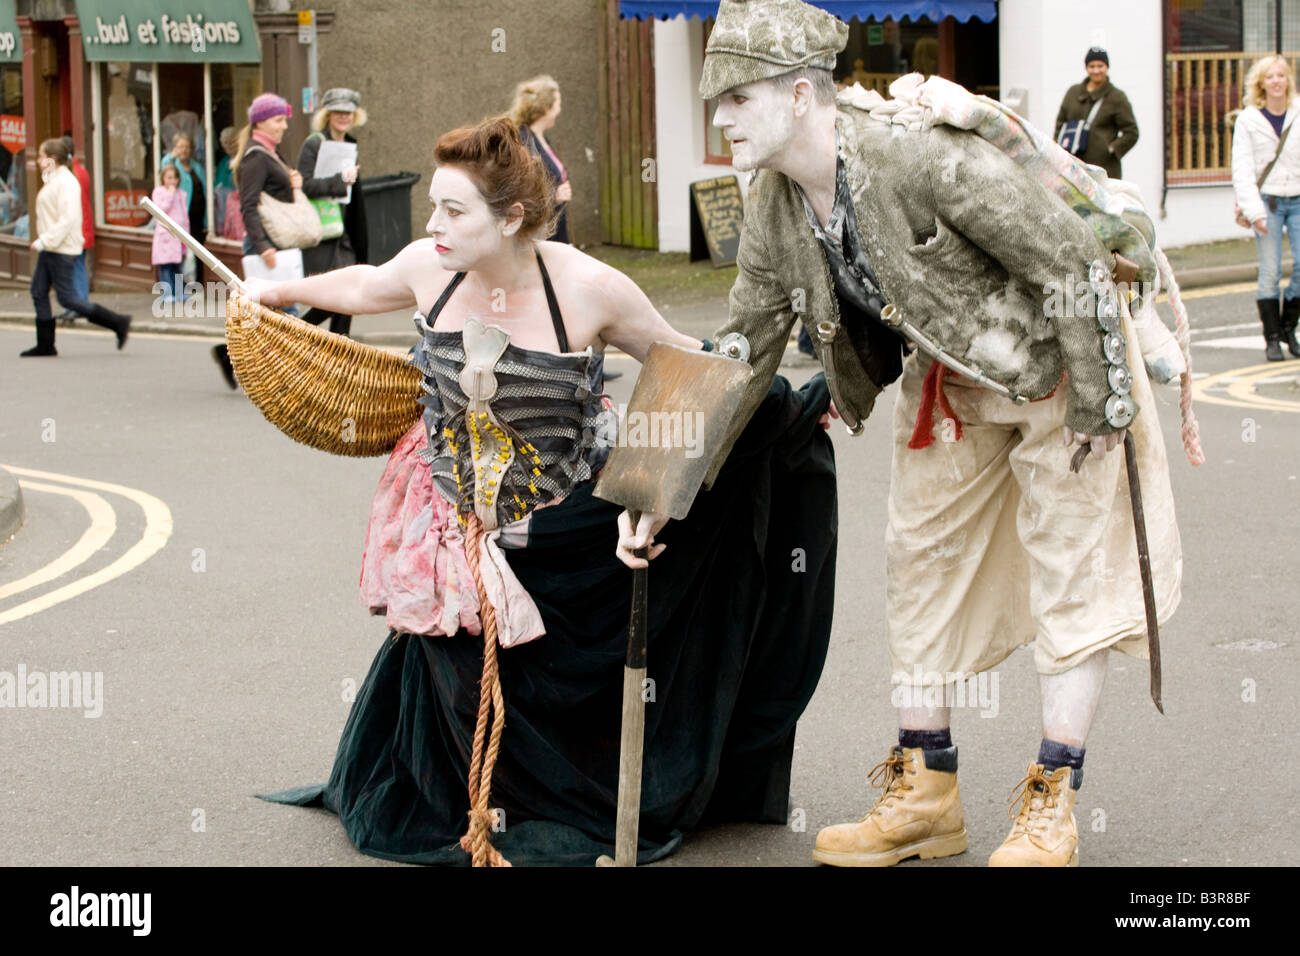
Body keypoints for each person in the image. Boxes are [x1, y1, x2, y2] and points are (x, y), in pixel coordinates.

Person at [620, 0, 1183, 868]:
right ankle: (927, 793)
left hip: (1052, 370)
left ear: (803, 93)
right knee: (917, 562)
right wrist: (654, 486)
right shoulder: (773, 205)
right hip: (946, 386)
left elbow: (1066, 259)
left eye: (736, 97)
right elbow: (741, 346)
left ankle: (1051, 799)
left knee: (1075, 570)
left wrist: (1104, 408)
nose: (720, 117)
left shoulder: (920, 153)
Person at [249, 115, 838, 866]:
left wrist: (767, 412)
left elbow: (693, 374)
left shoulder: (591, 288)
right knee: (460, 674)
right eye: (433, 205)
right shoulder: (432, 266)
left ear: (512, 217)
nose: (432, 223)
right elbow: (366, 284)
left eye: (453, 210)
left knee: (567, 678)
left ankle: (549, 799)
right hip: (456, 514)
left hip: (567, 522)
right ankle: (478, 802)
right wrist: (278, 292)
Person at [212, 92, 304, 389]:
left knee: (270, 312)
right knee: (282, 311)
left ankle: (230, 356)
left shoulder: (270, 152)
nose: (284, 126)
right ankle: (282, 377)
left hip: (275, 241)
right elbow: (247, 206)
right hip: (266, 243)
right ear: (261, 122)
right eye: (279, 120)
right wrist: (263, 247)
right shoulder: (255, 157)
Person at [21, 138, 131, 357]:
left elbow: (68, 219)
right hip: (52, 247)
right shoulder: (54, 180)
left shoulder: (66, 183)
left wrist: (45, 240)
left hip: (60, 249)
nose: (38, 160)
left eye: (41, 156)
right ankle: (45, 344)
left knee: (67, 299)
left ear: (52, 160)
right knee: (38, 291)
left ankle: (118, 322)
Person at [1231, 55, 1300, 362]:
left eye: (1280, 75)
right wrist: (1254, 211)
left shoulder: (1298, 112)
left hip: (1298, 197)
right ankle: (1272, 338)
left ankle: (1289, 328)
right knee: (1270, 270)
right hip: (1268, 202)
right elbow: (1242, 169)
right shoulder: (1248, 119)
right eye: (1269, 77)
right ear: (1261, 83)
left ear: (1288, 80)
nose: (1276, 81)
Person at [296, 87, 369, 337]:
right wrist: (339, 180)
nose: (343, 117)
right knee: (337, 296)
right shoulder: (314, 144)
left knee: (346, 295)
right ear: (327, 114)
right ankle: (296, 332)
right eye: (337, 112)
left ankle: (339, 352)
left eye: (348, 112)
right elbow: (304, 184)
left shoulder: (349, 144)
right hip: (323, 231)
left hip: (345, 231)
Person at [1054, 47, 1139, 180]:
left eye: (1100, 66)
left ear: (1107, 67)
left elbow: (1132, 132)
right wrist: (1058, 149)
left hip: (1104, 170)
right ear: (1086, 68)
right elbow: (1060, 123)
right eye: (1091, 66)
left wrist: (1112, 149)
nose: (1096, 70)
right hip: (1073, 167)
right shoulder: (1073, 92)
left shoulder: (1117, 97)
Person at [509, 76, 572, 244]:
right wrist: (554, 196)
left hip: (554, 225)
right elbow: (521, 188)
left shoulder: (541, 139)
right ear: (546, 109)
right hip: (539, 233)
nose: (560, 108)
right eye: (558, 103)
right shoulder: (524, 141)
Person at [161, 131, 207, 286]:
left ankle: (197, 284)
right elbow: (164, 167)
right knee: (180, 253)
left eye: (186, 146)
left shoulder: (196, 167)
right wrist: (172, 156)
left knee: (197, 253)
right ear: (174, 148)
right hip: (180, 217)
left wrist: (208, 218)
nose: (184, 150)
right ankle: (181, 287)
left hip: (198, 218)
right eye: (180, 147)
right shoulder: (172, 164)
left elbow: (205, 189)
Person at [56, 134, 94, 319]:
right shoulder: (80, 171)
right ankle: (76, 304)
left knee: (76, 267)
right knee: (75, 267)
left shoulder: (72, 174)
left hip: (76, 228)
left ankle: (80, 305)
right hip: (81, 227)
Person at [150, 164, 188, 304]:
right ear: (163, 179)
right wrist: (170, 195)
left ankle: (179, 293)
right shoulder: (158, 192)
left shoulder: (181, 194)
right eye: (169, 178)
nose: (172, 181)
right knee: (165, 266)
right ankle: (167, 293)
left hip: (178, 236)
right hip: (165, 236)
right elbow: (160, 211)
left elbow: (184, 215)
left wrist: (186, 234)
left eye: (174, 178)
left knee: (177, 265)